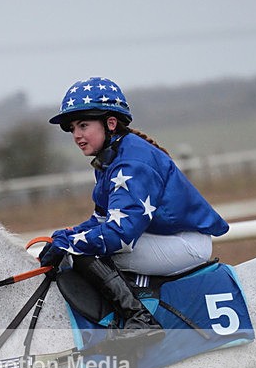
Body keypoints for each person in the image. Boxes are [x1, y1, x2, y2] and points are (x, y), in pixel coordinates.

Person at [40, 76, 229, 344]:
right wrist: (65, 235)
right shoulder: (112, 158)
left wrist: (71, 243)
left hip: (185, 245)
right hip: (164, 238)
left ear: (111, 123)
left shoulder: (132, 162)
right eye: (72, 129)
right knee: (79, 245)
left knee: (83, 251)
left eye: (83, 125)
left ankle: (139, 319)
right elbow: (101, 221)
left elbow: (121, 234)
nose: (77, 135)